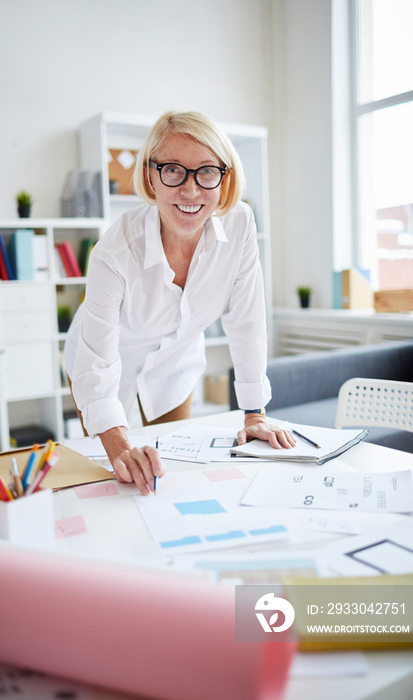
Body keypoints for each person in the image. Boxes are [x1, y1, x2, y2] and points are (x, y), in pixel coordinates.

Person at [64, 110, 296, 495]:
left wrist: (255, 413)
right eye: (172, 170)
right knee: (120, 473)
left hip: (177, 360)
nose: (190, 191)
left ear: (226, 177)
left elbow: (247, 321)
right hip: (101, 363)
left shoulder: (240, 225)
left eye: (206, 171)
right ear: (150, 176)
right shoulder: (115, 250)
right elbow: (97, 365)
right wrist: (121, 449)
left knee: (174, 473)